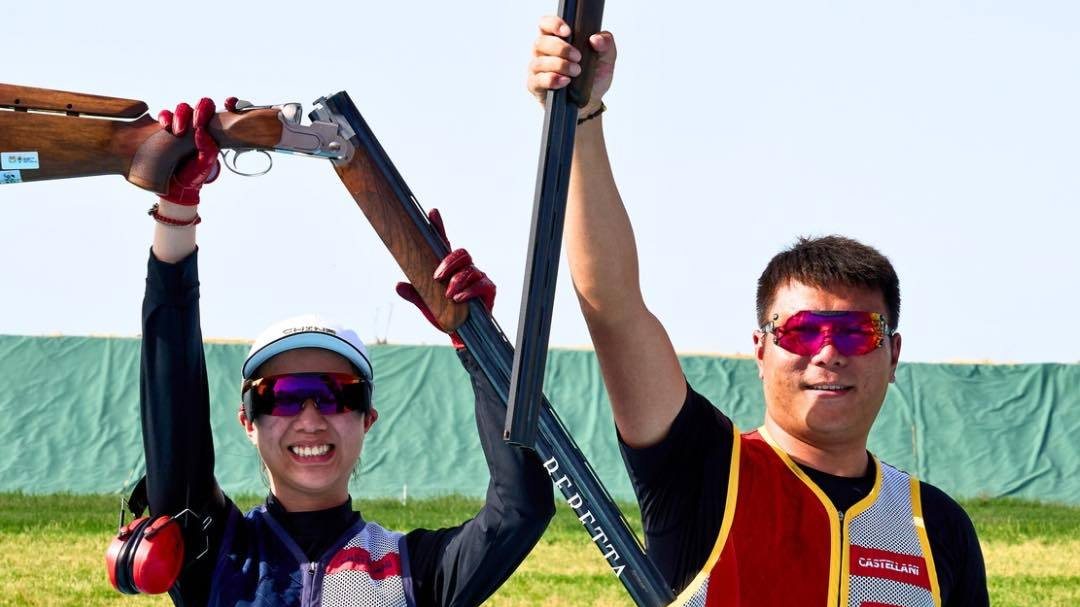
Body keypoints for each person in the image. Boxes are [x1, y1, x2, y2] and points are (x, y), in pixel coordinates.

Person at [526, 16, 989, 607]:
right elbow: (614, 306)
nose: (827, 352)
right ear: (761, 349)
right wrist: (580, 120)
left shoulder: (938, 528)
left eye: (855, 331)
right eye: (801, 331)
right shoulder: (706, 473)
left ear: (893, 353)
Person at [136, 97, 553, 606]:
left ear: (367, 418)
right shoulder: (215, 551)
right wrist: (177, 209)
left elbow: (521, 509)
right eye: (284, 396)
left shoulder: (414, 574)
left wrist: (478, 342)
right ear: (249, 421)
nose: (311, 418)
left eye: (337, 395)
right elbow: (173, 412)